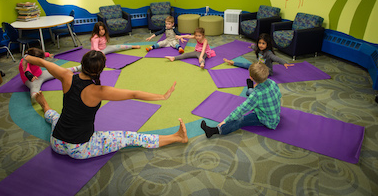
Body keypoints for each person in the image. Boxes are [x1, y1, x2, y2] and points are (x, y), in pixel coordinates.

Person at [24, 50, 188, 159]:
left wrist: (26, 59)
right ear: (99, 70)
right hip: (80, 148)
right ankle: (177, 137)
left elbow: (43, 62)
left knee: (55, 117)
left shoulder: (66, 75)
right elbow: (133, 94)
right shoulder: (99, 91)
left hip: (57, 143)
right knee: (129, 137)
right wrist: (162, 96)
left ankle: (44, 104)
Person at [200, 62, 281, 138]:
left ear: (251, 78)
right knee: (252, 94)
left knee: (240, 120)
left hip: (268, 120)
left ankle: (214, 131)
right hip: (275, 114)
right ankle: (250, 88)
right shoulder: (272, 83)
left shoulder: (256, 95)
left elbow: (241, 109)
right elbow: (279, 96)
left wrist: (226, 120)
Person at [223, 33, 294, 76]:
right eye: (259, 43)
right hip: (259, 67)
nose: (261, 45)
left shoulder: (268, 53)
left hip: (267, 71)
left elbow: (276, 58)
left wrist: (284, 63)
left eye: (263, 43)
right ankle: (232, 62)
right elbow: (255, 47)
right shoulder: (258, 48)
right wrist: (251, 46)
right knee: (248, 65)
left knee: (254, 72)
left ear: (267, 44)